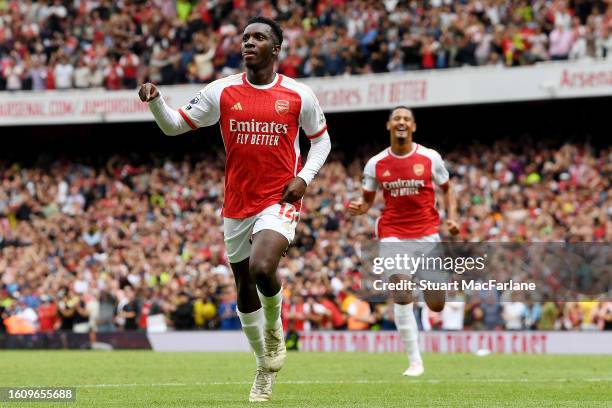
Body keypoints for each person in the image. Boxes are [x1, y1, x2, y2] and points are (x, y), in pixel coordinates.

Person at [138, 16, 331, 402]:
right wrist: (157, 101)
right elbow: (175, 126)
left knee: (263, 268)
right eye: (245, 37)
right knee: (243, 285)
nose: (249, 42)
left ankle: (275, 331)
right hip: (237, 203)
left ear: (275, 49)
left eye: (259, 37)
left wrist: (305, 177)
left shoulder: (298, 94)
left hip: (279, 199)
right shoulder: (222, 91)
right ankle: (263, 366)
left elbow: (321, 142)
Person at [348, 106, 458, 377]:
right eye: (397, 118)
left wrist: (452, 218)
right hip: (393, 233)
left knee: (436, 304)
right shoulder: (376, 164)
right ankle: (415, 362)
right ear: (388, 125)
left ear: (413, 126)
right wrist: (361, 207)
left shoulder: (430, 158)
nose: (401, 122)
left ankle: (422, 283)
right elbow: (368, 199)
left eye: (406, 119)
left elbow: (448, 189)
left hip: (427, 233)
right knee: (401, 293)